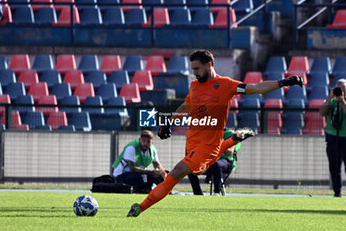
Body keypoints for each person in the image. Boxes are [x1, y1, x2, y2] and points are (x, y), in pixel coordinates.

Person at [127, 49, 303, 217]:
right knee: (196, 171)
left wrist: (284, 82)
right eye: (192, 69)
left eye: (197, 68)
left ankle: (140, 208)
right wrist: (169, 124)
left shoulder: (226, 85)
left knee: (176, 172)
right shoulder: (194, 86)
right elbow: (186, 106)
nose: (194, 72)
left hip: (207, 145)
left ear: (209, 64)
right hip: (192, 142)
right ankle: (234, 139)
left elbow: (256, 88)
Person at [188, 128, 241, 195]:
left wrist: (217, 144)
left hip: (227, 161)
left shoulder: (229, 133)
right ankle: (198, 193)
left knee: (216, 165)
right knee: (190, 168)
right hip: (211, 162)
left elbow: (230, 152)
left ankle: (216, 192)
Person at [319, 79, 346, 197]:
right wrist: (330, 98)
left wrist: (343, 102)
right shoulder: (332, 101)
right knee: (334, 168)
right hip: (332, 137)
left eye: (343, 88)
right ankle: (337, 193)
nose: (341, 90)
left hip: (345, 138)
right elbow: (322, 112)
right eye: (338, 88)